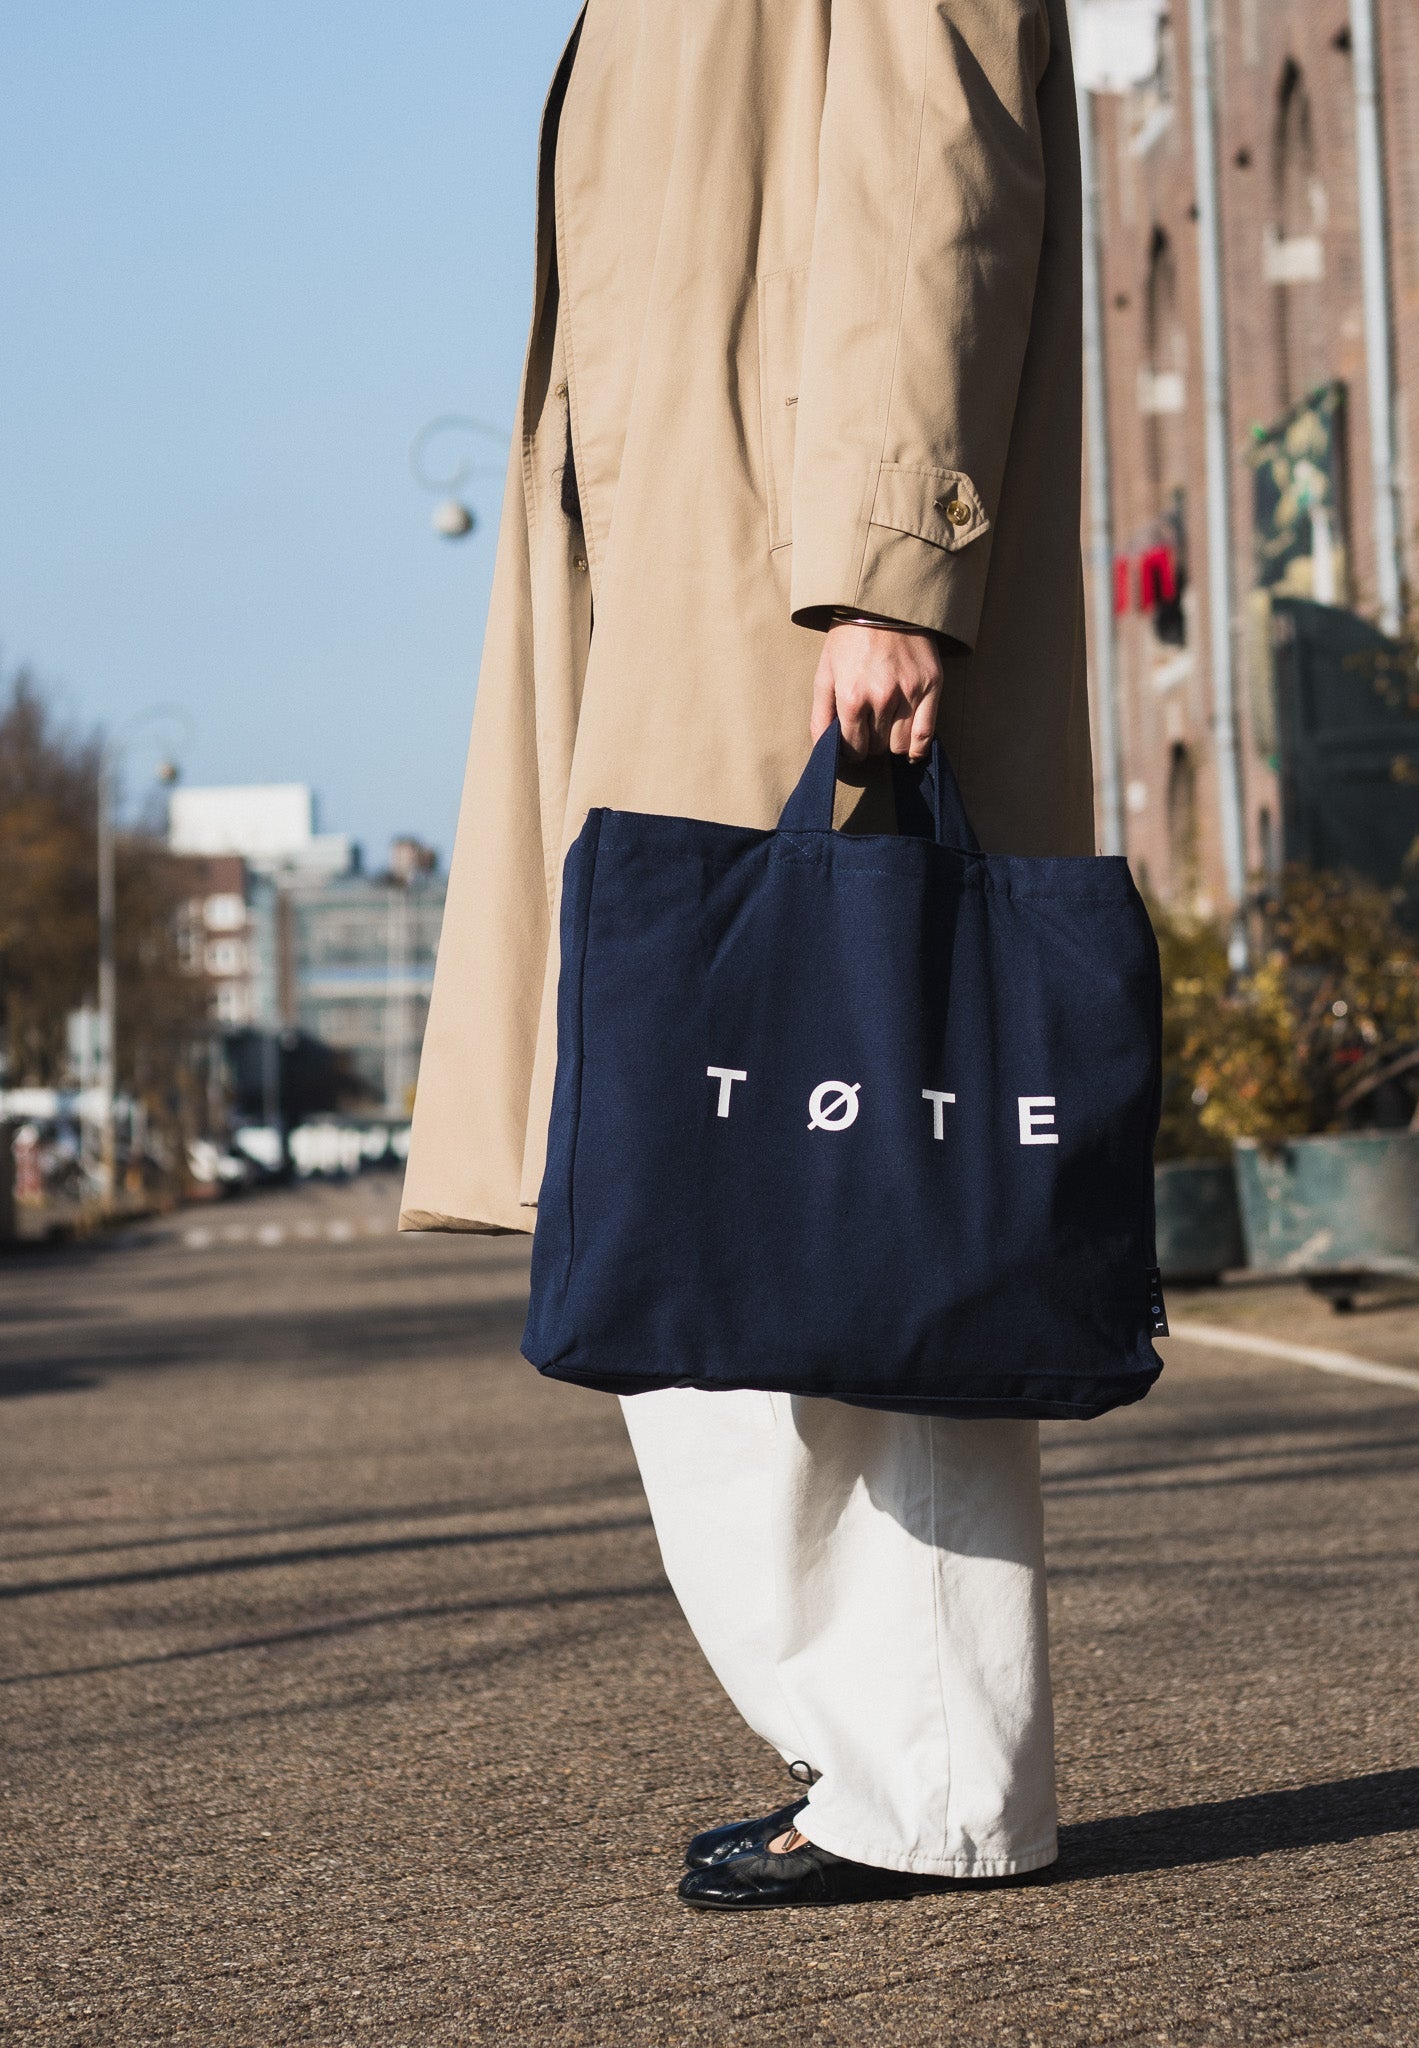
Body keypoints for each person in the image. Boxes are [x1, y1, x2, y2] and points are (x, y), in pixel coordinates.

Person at [401, 0, 1097, 1908]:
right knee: (709, 1228)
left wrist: (887, 568)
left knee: (846, 1223)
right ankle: (873, 1757)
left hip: (791, 623)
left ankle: (928, 1785)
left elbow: (939, 172)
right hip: (686, 613)